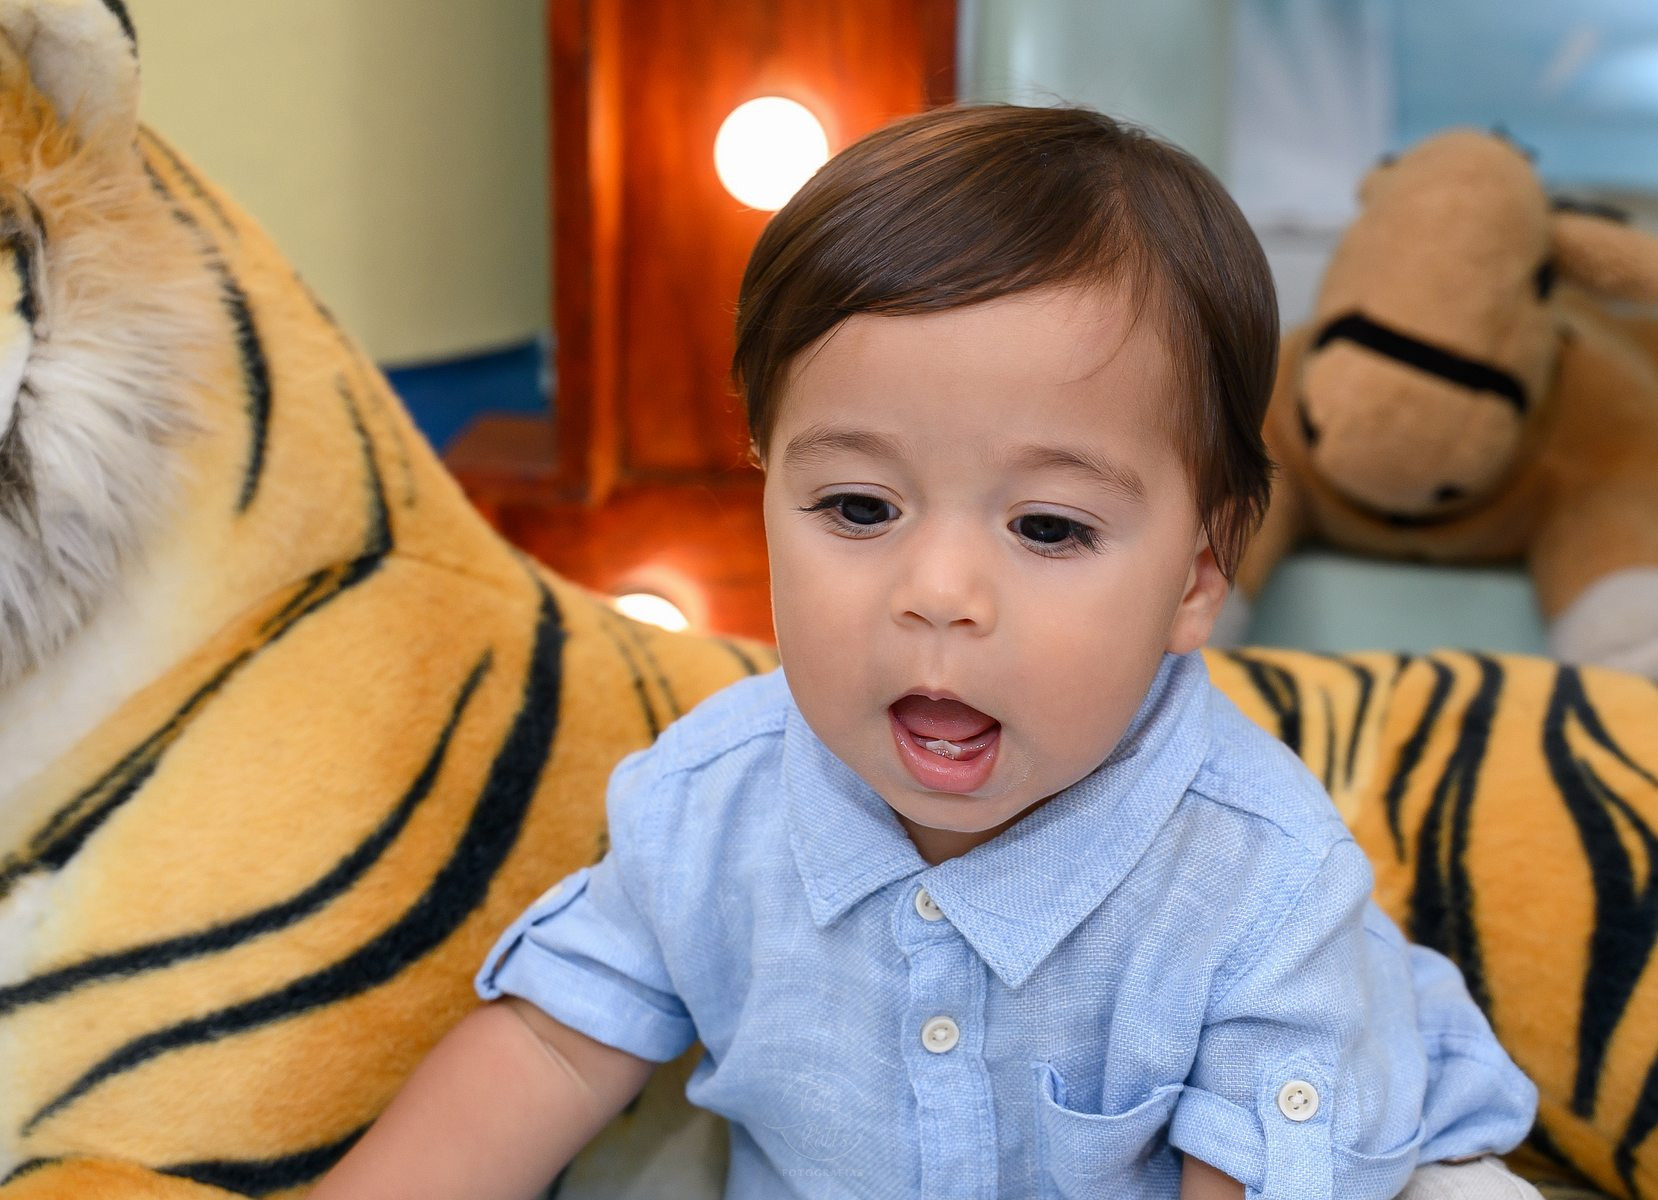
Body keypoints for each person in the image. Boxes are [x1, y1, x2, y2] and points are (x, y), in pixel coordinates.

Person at [310, 105, 1540, 1199]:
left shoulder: (1255, 886)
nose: (937, 595)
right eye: (858, 507)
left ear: (1194, 577)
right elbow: (545, 1048)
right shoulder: (708, 805)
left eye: (1047, 528)